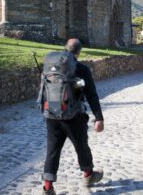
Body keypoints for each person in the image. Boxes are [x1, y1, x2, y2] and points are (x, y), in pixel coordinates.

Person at [42, 38, 104, 195]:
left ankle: (48, 188)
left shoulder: (51, 66)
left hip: (52, 115)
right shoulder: (81, 68)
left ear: (65, 48)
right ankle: (88, 175)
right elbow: (91, 93)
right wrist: (98, 117)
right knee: (81, 146)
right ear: (79, 52)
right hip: (73, 116)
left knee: (52, 150)